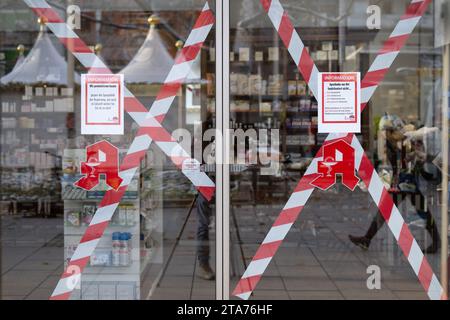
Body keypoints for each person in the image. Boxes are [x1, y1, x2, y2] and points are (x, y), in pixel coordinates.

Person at [349, 115, 441, 254]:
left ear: (395, 130)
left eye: (388, 131)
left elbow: (417, 161)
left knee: (423, 213)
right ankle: (366, 239)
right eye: (384, 132)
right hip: (401, 184)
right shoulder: (392, 144)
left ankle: (437, 242)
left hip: (409, 184)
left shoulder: (405, 142)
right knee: (386, 211)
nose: (385, 135)